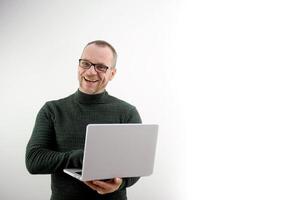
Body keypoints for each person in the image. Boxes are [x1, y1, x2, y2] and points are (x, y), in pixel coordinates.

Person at [26, 40, 142, 200]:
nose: (91, 72)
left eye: (101, 67)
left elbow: (136, 165)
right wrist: (83, 157)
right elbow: (34, 160)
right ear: (78, 65)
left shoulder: (127, 112)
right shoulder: (52, 110)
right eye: (86, 63)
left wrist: (121, 183)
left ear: (112, 74)